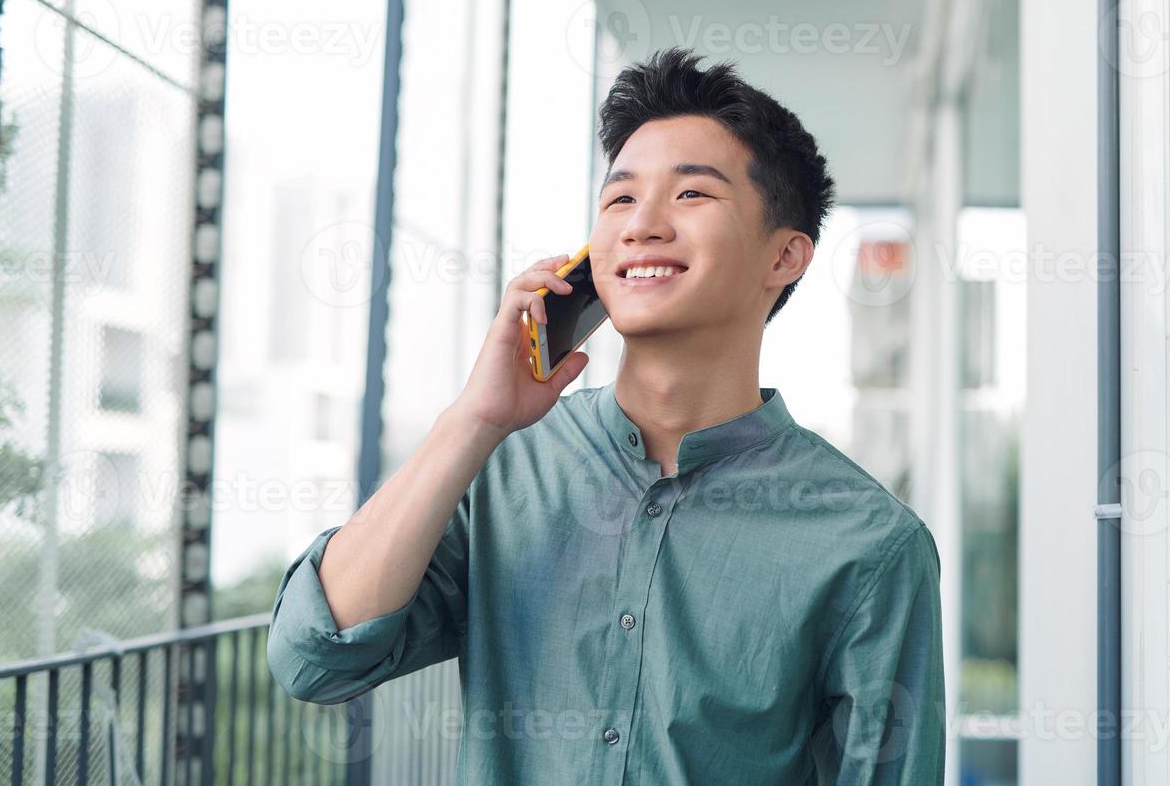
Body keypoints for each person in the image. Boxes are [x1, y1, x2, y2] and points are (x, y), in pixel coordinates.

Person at [266, 47, 945, 784]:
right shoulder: (502, 466)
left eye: (692, 196)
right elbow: (313, 658)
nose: (642, 225)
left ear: (784, 256)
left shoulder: (869, 545)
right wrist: (474, 419)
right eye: (619, 199)